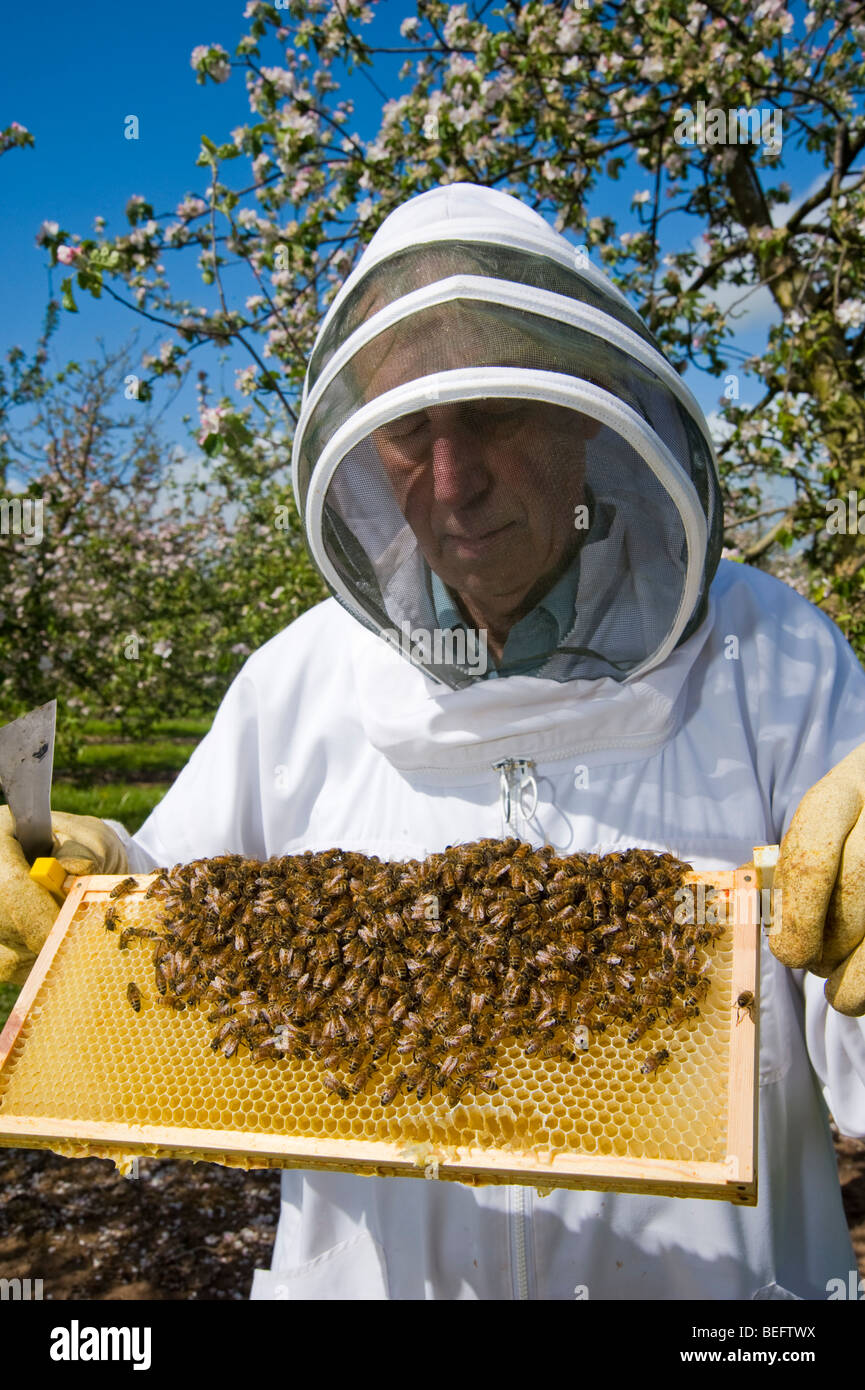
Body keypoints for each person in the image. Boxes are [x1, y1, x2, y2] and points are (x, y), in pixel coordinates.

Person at [2, 183, 865, 1300]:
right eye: (408, 428)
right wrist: (74, 886)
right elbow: (164, 953)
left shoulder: (774, 656)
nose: (451, 482)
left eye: (495, 410)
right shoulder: (296, 681)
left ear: (589, 413)